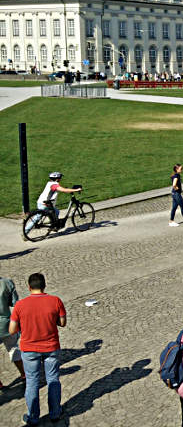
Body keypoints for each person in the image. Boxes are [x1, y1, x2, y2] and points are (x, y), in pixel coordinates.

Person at [9, 273, 66, 425]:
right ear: (44, 285)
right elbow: (62, 322)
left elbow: (12, 330)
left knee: (32, 382)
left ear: (29, 287)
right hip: (51, 347)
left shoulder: (20, 305)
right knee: (53, 379)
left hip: (29, 349)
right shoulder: (55, 301)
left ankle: (33, 417)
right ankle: (55, 413)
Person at [24, 172, 82, 239]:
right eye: (60, 177)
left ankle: (54, 225)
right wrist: (76, 190)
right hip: (45, 205)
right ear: (57, 179)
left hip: (41, 203)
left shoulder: (50, 183)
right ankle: (25, 233)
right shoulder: (54, 185)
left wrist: (68, 189)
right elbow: (63, 190)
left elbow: (60, 189)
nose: (61, 179)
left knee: (56, 212)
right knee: (37, 217)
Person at [0, 275, 25, 387]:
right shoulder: (6, 283)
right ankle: (24, 373)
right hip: (5, 324)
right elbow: (14, 302)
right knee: (13, 348)